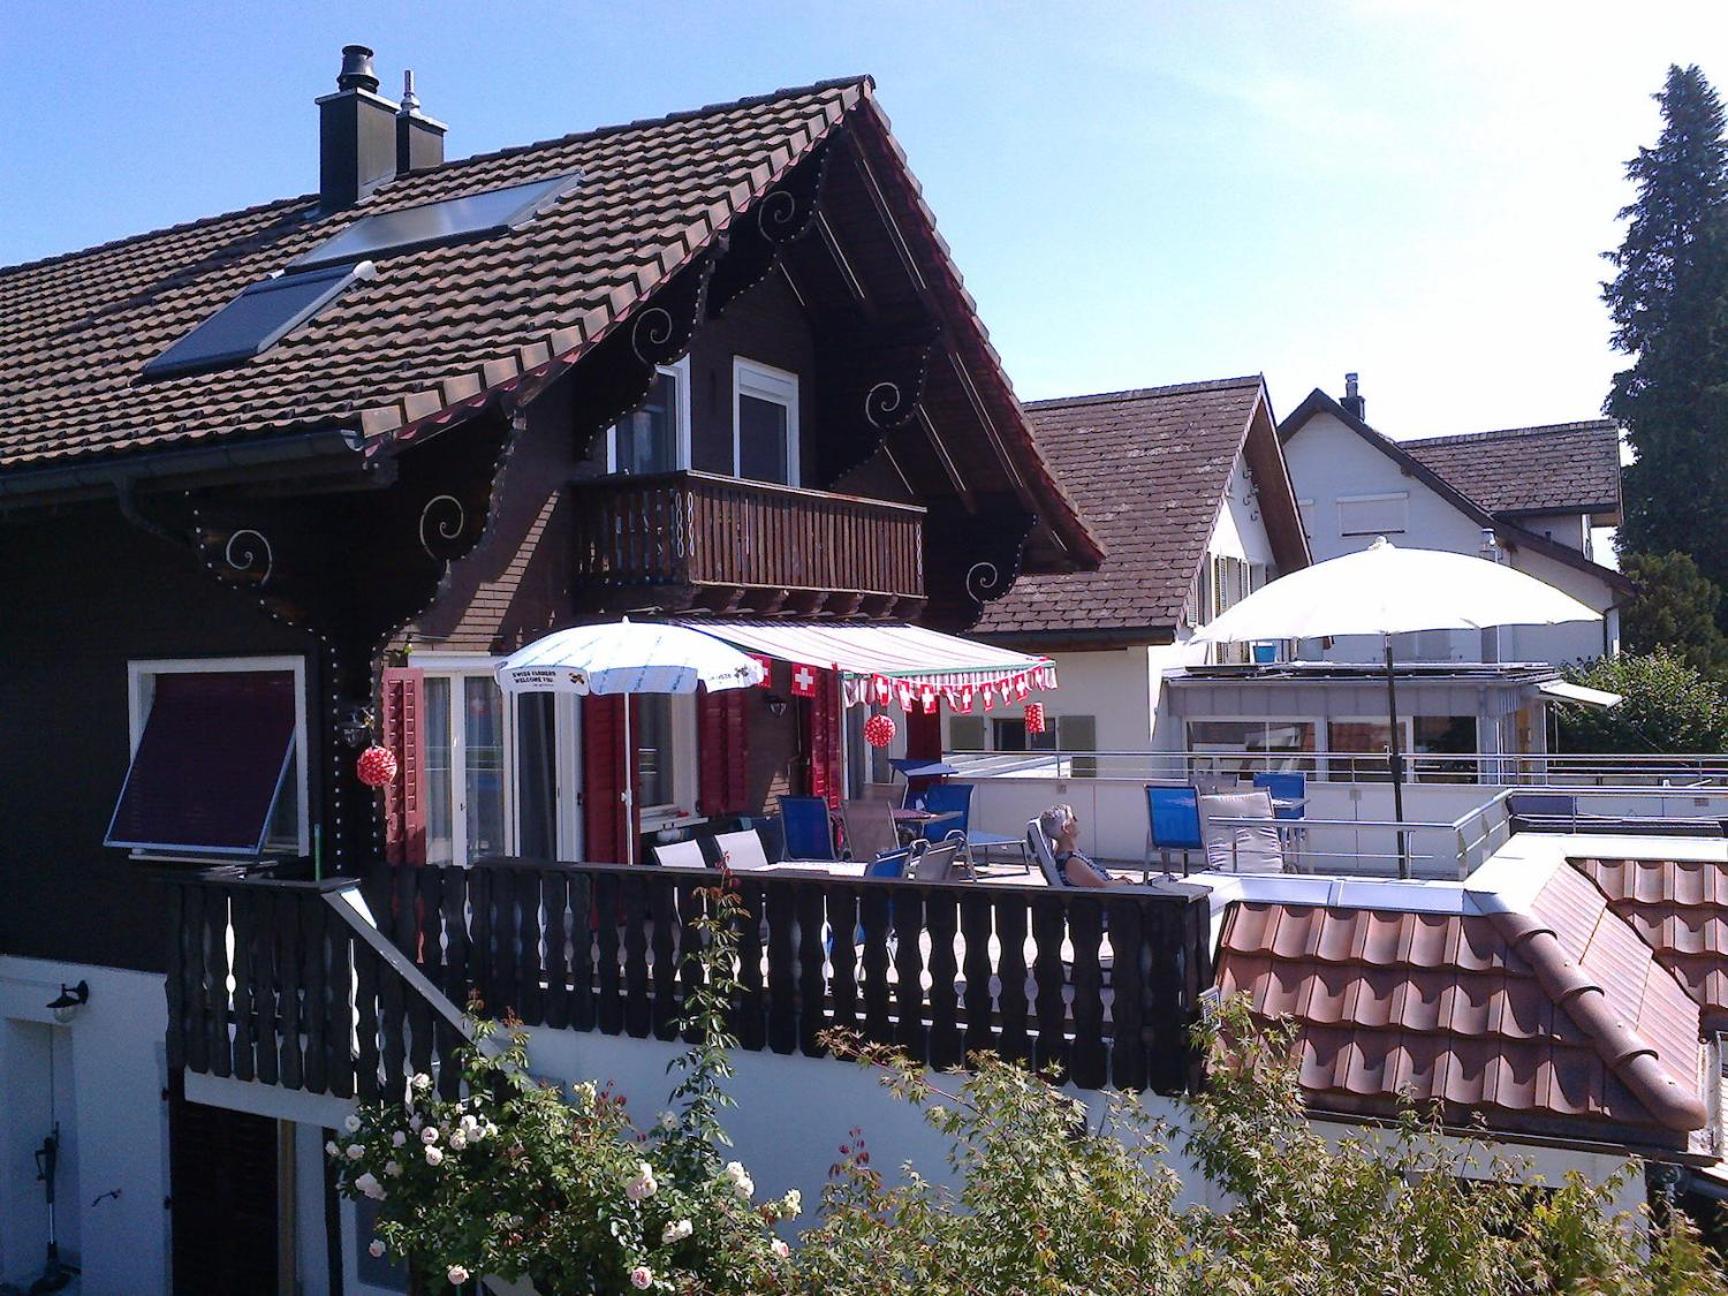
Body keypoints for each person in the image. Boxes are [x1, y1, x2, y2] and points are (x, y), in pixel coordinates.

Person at [1037, 803, 1133, 887]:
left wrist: (1117, 881)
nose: (1077, 820)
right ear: (1066, 828)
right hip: (1112, 902)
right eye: (1073, 818)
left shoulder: (1069, 854)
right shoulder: (1072, 863)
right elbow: (1101, 887)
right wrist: (1124, 882)